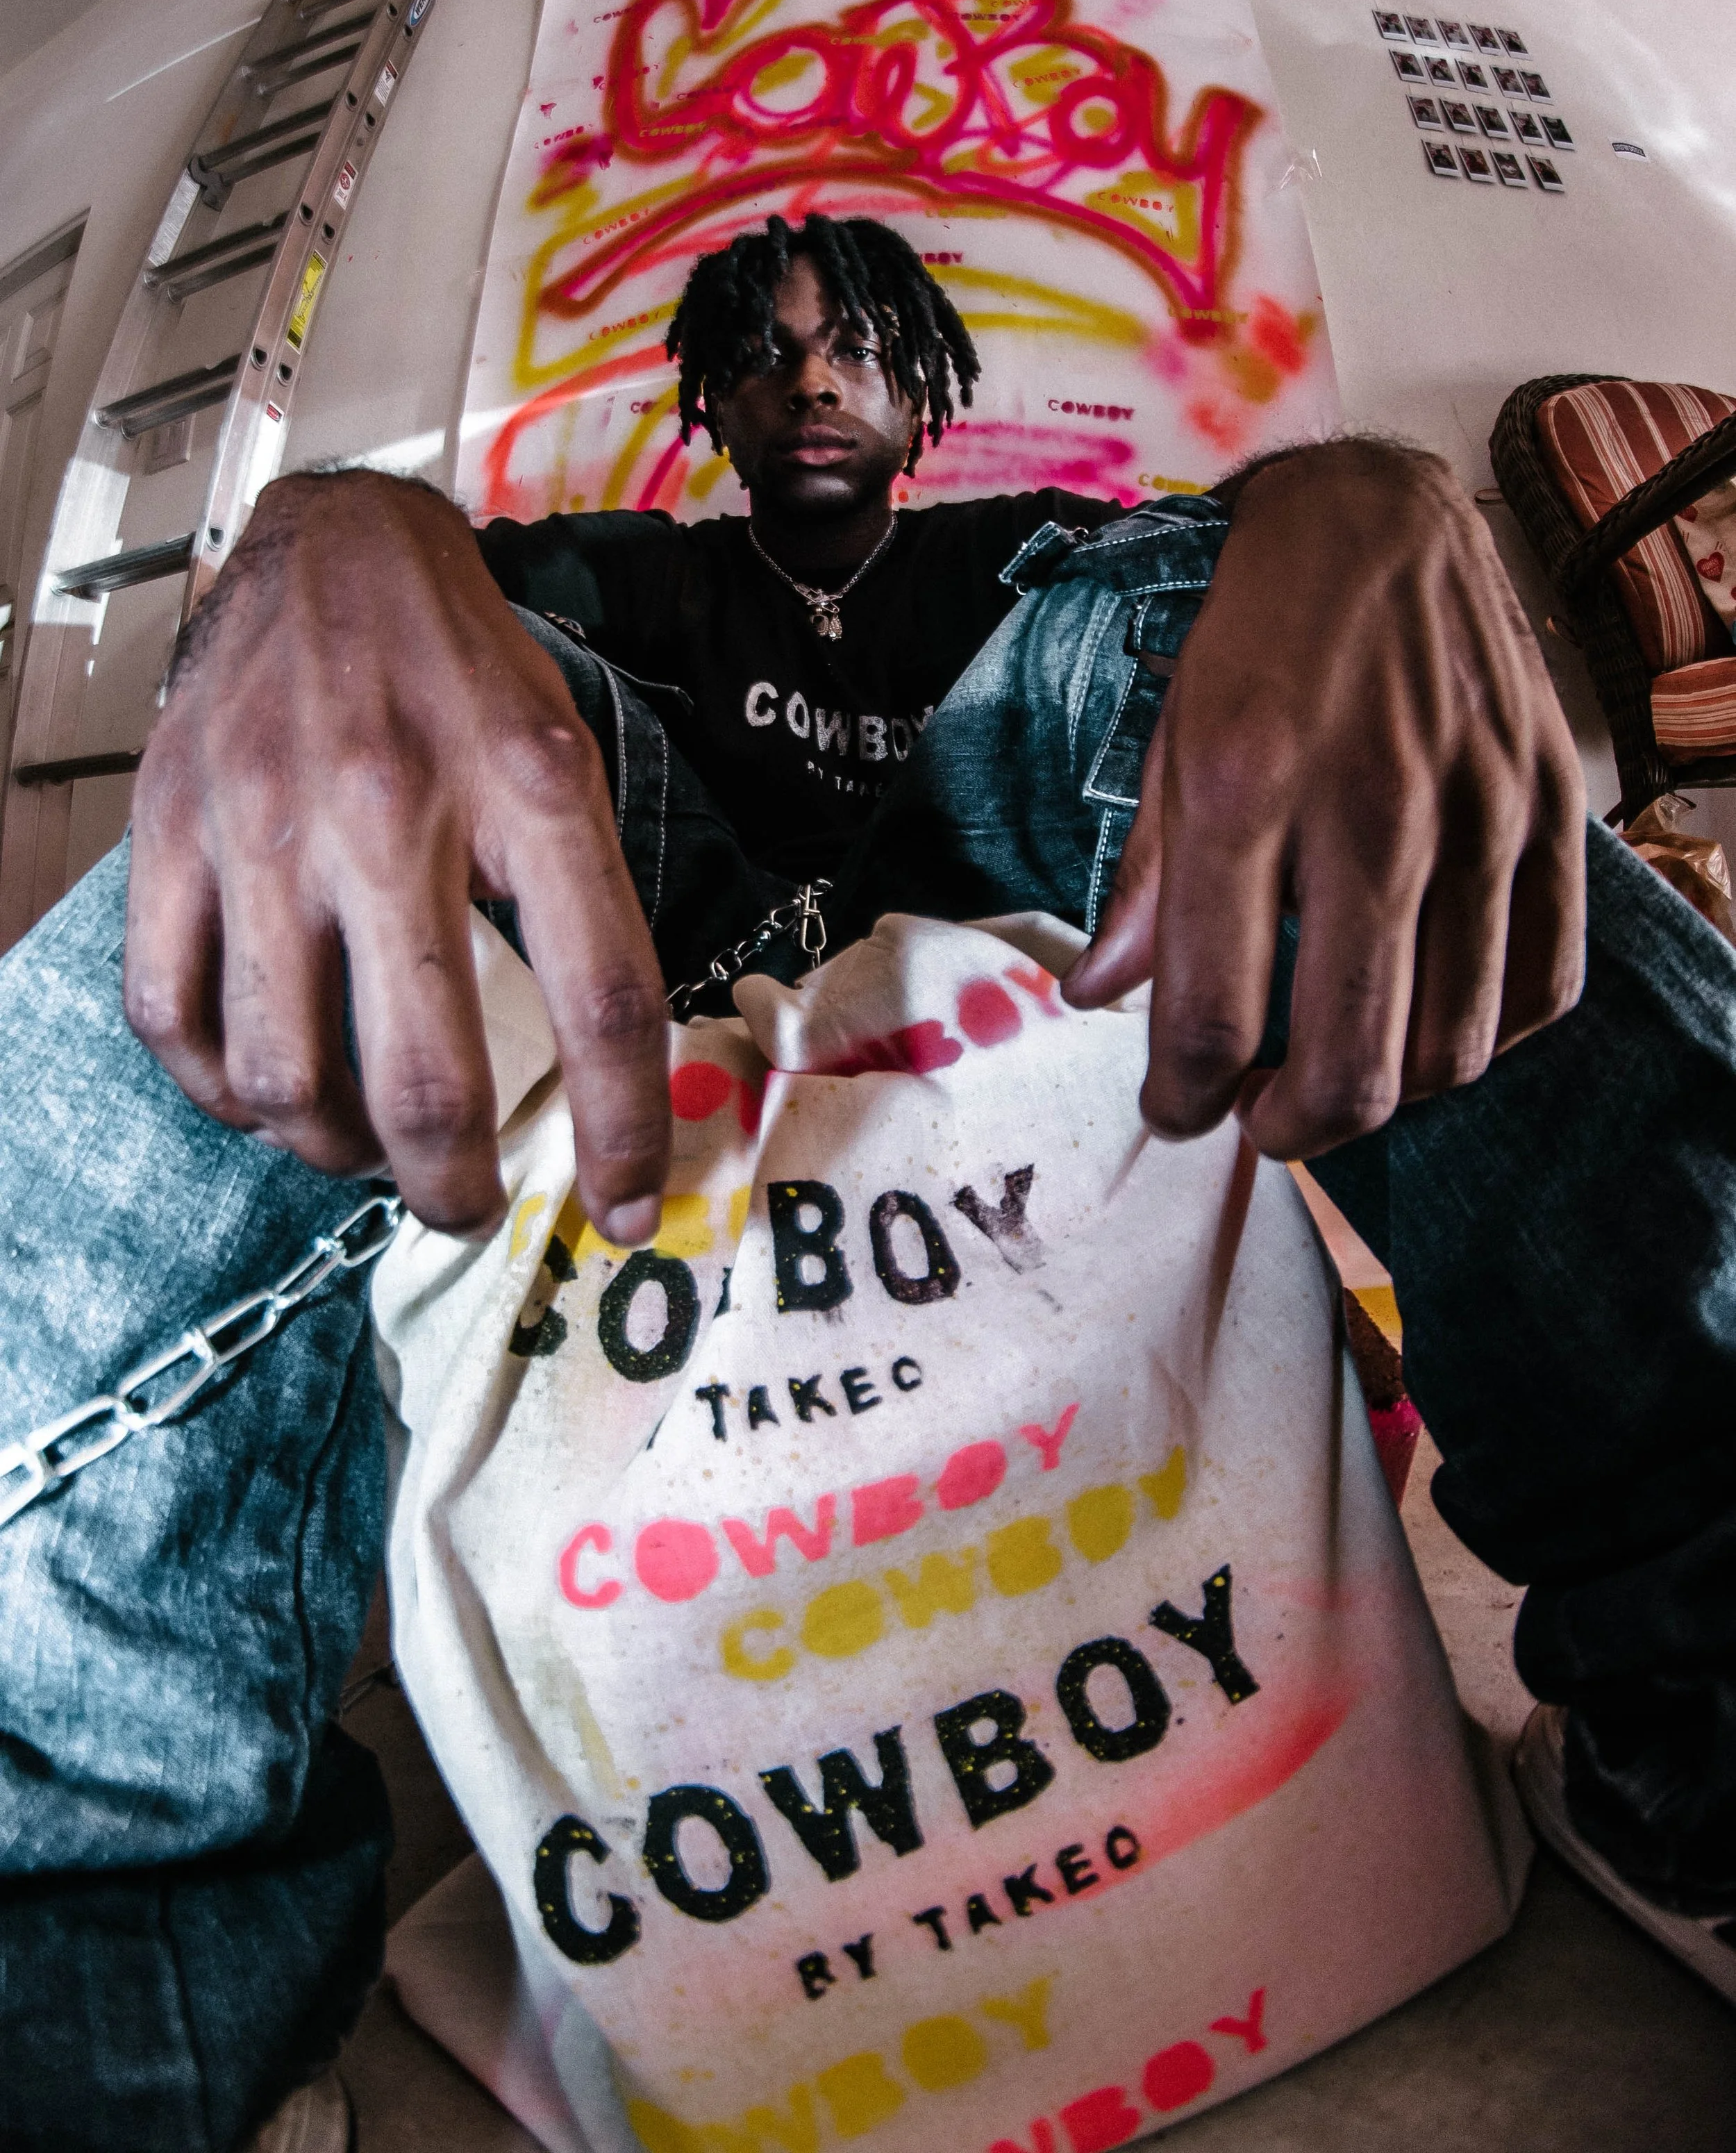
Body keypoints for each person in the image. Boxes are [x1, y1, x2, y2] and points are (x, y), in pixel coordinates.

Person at [2, 213, 1733, 2153]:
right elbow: (425, 610)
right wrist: (319, 540)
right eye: (764, 352)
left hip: (1018, 933)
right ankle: (95, 2022)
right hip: (639, 963)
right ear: (712, 400)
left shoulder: (1013, 559)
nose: (811, 380)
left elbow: (1205, 576)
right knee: (378, 716)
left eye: (856, 351)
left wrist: (1360, 505)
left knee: (1196, 631)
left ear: (924, 393)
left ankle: (1713, 1715)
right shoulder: (627, 576)